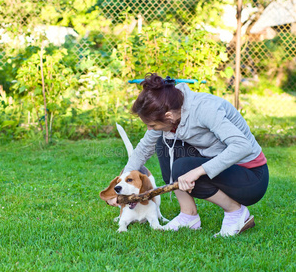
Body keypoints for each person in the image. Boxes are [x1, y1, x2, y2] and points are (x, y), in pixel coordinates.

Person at [107, 73, 269, 237]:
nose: (150, 129)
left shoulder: (204, 109)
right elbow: (143, 148)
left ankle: (236, 212)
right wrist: (118, 186)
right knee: (164, 142)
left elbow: (242, 146)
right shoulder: (170, 110)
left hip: (251, 176)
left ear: (168, 116)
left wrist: (198, 171)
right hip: (223, 167)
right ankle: (188, 215)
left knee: (182, 167)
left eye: (152, 125)